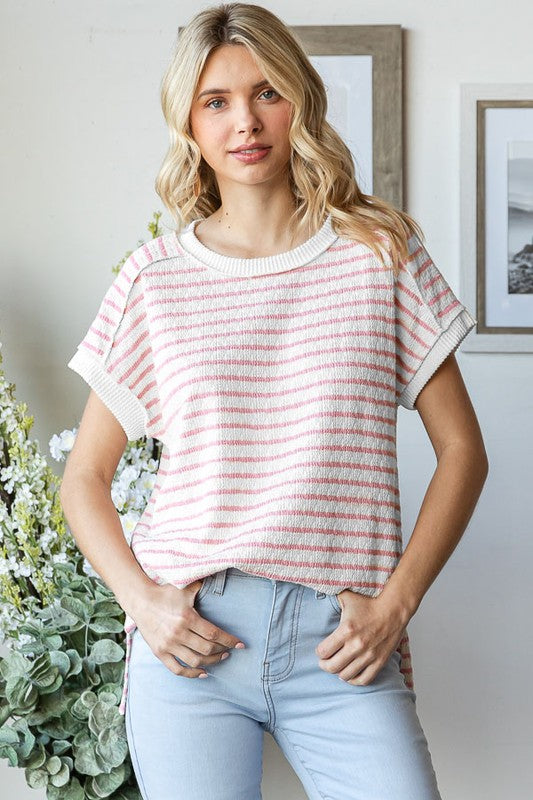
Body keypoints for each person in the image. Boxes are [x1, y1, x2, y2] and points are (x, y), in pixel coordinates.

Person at [60, 4, 488, 799]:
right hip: (191, 644)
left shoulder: (381, 255)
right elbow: (84, 477)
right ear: (189, 122)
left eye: (266, 92)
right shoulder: (154, 279)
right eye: (216, 101)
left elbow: (463, 452)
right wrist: (143, 604)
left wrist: (395, 606)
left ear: (300, 100)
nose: (245, 122)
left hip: (340, 642)